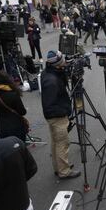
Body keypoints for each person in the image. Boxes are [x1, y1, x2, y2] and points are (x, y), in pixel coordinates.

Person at [41, 50, 81, 179]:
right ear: (57, 64)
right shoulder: (52, 81)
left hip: (53, 116)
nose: (65, 62)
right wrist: (64, 112)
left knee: (56, 142)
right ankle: (64, 171)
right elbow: (50, 103)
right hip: (57, 117)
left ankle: (59, 167)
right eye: (62, 61)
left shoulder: (48, 73)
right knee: (63, 143)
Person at [0, 71, 27, 142]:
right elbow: (22, 112)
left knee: (8, 149)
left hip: (2, 126)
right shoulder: (12, 93)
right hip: (17, 125)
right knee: (20, 147)